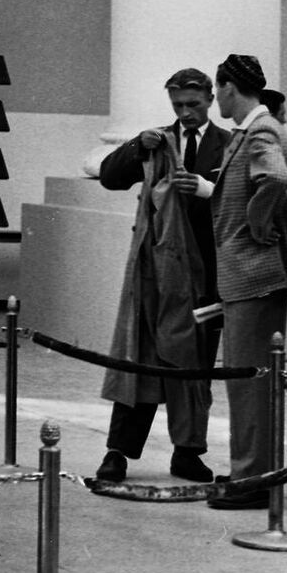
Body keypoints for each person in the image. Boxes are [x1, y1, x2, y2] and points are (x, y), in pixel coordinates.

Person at [94, 67, 231, 484]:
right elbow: (109, 177)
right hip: (154, 272)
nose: (186, 113)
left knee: (194, 367)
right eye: (178, 106)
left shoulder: (229, 145)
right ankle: (118, 451)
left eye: (193, 104)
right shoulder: (157, 141)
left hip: (205, 273)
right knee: (139, 358)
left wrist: (207, 190)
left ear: (210, 98)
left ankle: (187, 452)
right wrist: (138, 146)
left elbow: (241, 200)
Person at [203, 53, 287, 507]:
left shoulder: (260, 130)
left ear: (227, 88)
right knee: (249, 381)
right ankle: (251, 469)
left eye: (216, 91)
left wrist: (257, 223)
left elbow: (276, 180)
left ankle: (253, 479)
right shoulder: (254, 130)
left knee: (248, 381)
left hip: (253, 273)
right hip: (250, 275)